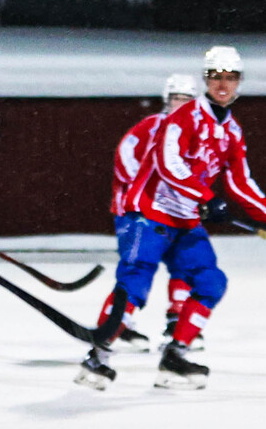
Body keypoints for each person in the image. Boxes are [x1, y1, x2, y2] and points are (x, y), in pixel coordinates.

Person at [76, 46, 266, 391]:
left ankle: (175, 357)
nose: (223, 85)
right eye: (216, 77)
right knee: (135, 284)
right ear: (206, 80)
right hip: (150, 213)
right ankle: (97, 360)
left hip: (184, 218)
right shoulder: (183, 117)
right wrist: (207, 198)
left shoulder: (232, 130)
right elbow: (169, 165)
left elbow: (241, 182)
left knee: (211, 282)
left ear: (239, 81)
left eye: (230, 78)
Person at [86, 73, 201, 365]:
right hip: (136, 212)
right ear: (167, 100)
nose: (180, 105)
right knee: (136, 268)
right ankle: (117, 325)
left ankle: (176, 321)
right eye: (176, 98)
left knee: (184, 265)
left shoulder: (195, 133)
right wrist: (149, 189)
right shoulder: (151, 126)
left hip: (173, 213)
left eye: (186, 100)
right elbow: (125, 158)